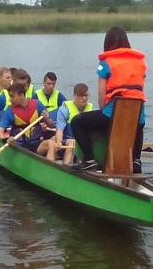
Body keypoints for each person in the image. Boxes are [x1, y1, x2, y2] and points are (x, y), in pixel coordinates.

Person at [72, 26, 147, 173]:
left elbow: (101, 94)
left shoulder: (106, 63)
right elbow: (139, 91)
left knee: (76, 122)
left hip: (112, 114)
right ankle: (136, 160)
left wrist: (102, 112)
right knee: (138, 125)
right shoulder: (141, 63)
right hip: (138, 116)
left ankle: (89, 160)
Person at [0, 82, 53, 153]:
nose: (10, 99)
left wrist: (46, 118)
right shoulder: (10, 111)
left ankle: (49, 162)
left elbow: (51, 125)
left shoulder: (38, 104)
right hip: (18, 146)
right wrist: (6, 139)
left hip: (37, 144)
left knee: (51, 143)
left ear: (21, 95)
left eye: (12, 96)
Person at [48, 82, 93, 164]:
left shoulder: (91, 109)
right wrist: (59, 142)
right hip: (66, 141)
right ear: (75, 96)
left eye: (86, 95)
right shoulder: (64, 109)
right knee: (72, 142)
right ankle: (66, 166)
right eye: (81, 95)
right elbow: (59, 130)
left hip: (82, 143)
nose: (84, 98)